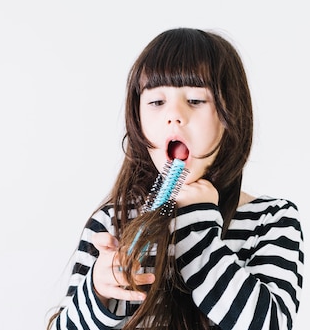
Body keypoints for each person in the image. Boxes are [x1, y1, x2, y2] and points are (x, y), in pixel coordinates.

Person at [46, 28, 304, 330]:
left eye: (195, 100)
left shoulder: (271, 220)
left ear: (229, 114)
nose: (175, 115)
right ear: (138, 122)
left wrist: (197, 223)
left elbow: (271, 324)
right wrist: (98, 292)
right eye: (156, 102)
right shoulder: (113, 222)